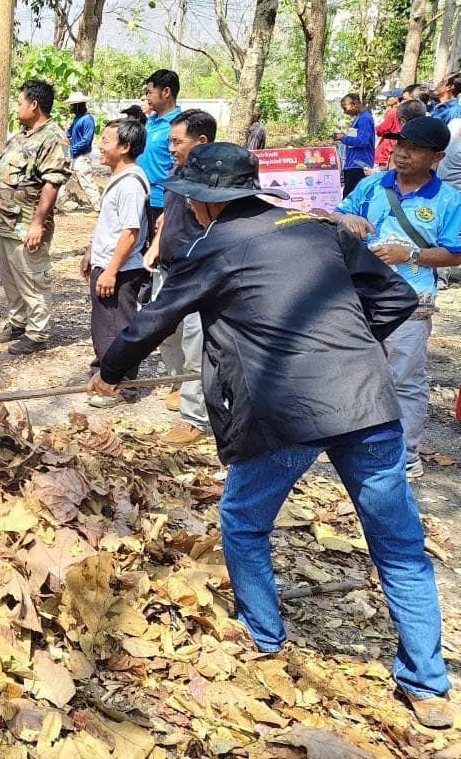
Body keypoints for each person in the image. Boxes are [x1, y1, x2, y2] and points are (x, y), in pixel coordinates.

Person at [86, 142, 454, 730]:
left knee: (243, 518)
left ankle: (263, 636)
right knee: (400, 545)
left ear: (206, 204)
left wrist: (109, 372)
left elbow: (155, 319)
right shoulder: (317, 228)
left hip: (287, 412)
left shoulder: (212, 249)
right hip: (367, 402)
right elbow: (397, 297)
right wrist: (349, 347)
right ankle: (429, 687)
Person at [330, 117, 461, 480]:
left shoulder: (449, 201)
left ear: (435, 157)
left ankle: (406, 454)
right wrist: (348, 221)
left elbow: (456, 253)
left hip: (411, 301)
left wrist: (411, 255)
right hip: (359, 297)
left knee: (405, 379)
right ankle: (350, 444)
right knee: (353, 370)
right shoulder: (372, 185)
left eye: (414, 149)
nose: (402, 154)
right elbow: (339, 213)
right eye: (399, 144)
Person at [0, 79, 70, 355]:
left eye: (19, 103)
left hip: (26, 223)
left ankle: (37, 332)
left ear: (34, 105)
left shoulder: (53, 138)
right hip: (6, 222)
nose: (16, 108)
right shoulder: (22, 135)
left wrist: (37, 224)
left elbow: (51, 184)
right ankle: (18, 322)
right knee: (11, 278)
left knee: (32, 278)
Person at [144, 109, 215, 444]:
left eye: (176, 141)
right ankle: (177, 384)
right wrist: (156, 245)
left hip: (196, 276)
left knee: (195, 344)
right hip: (167, 270)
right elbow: (168, 218)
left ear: (201, 141)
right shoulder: (178, 172)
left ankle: (194, 418)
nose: (170, 148)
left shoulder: (212, 182)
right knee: (164, 332)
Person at [81, 117, 149, 407]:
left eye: (107, 141)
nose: (100, 145)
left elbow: (130, 232)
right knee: (103, 324)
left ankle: (122, 386)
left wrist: (110, 270)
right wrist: (91, 253)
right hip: (107, 264)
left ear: (125, 146)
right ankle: (105, 374)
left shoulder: (131, 183)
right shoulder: (118, 178)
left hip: (120, 270)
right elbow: (110, 226)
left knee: (117, 326)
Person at [138, 70, 181, 238]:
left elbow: (179, 168)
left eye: (149, 92)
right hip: (142, 196)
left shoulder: (178, 125)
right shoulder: (151, 121)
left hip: (160, 202)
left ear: (166, 92)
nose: (146, 97)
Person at [62, 91, 99, 211]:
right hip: (73, 156)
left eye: (73, 105)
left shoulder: (88, 120)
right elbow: (68, 133)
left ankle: (99, 208)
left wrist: (73, 148)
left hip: (81, 157)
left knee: (87, 182)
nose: (71, 108)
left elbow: (86, 140)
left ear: (79, 105)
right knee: (63, 180)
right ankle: (59, 204)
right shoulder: (77, 119)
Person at [335, 93, 375, 197]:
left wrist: (343, 138)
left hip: (359, 165)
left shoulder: (365, 118)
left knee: (351, 199)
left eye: (345, 108)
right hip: (352, 164)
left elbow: (362, 141)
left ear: (353, 105)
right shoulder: (358, 118)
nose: (344, 112)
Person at [375, 88, 403, 170]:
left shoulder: (393, 111)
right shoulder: (402, 110)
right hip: (395, 147)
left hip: (388, 149)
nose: (386, 99)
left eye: (389, 96)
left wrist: (376, 127)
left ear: (396, 99)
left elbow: (381, 129)